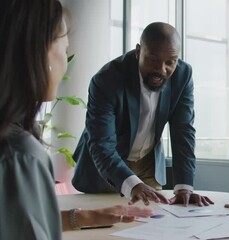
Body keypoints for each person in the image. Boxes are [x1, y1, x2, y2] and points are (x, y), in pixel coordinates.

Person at [0, 1, 153, 238]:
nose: (65, 59)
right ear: (38, 54)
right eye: (63, 47)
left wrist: (85, 217)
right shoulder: (19, 154)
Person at [72, 22, 213, 207]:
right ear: (139, 51)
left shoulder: (182, 75)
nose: (161, 70)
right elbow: (101, 144)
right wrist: (132, 184)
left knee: (154, 222)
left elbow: (183, 132)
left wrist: (184, 187)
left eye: (170, 62)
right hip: (108, 167)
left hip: (148, 164)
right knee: (108, 226)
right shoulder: (106, 79)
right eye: (153, 60)